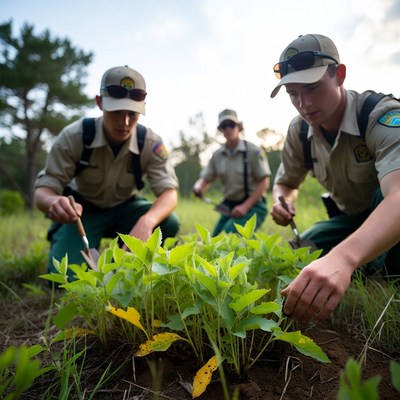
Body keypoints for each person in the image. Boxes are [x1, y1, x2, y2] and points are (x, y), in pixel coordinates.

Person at [269, 34, 400, 324]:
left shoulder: (380, 115)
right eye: (293, 93)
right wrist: (284, 201)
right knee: (303, 248)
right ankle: (367, 266)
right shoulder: (299, 131)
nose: (303, 103)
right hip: (349, 218)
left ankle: (377, 272)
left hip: (388, 212)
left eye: (313, 87)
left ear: (339, 75)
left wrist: (344, 259)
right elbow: (287, 183)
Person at [35, 65, 180, 279]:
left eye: (132, 113)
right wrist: (54, 202)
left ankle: (119, 265)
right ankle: (70, 243)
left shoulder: (150, 143)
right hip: (83, 214)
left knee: (168, 222)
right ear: (100, 102)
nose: (125, 122)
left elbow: (170, 194)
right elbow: (43, 192)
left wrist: (146, 223)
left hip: (125, 209)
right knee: (66, 278)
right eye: (116, 112)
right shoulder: (74, 137)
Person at [192, 109, 271, 236]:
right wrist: (199, 187)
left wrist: (245, 206)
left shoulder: (253, 151)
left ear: (238, 127)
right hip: (229, 207)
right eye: (224, 126)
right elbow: (206, 177)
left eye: (231, 125)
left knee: (228, 236)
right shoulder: (217, 155)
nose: (228, 129)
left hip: (253, 205)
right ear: (221, 130)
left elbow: (265, 182)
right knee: (214, 240)